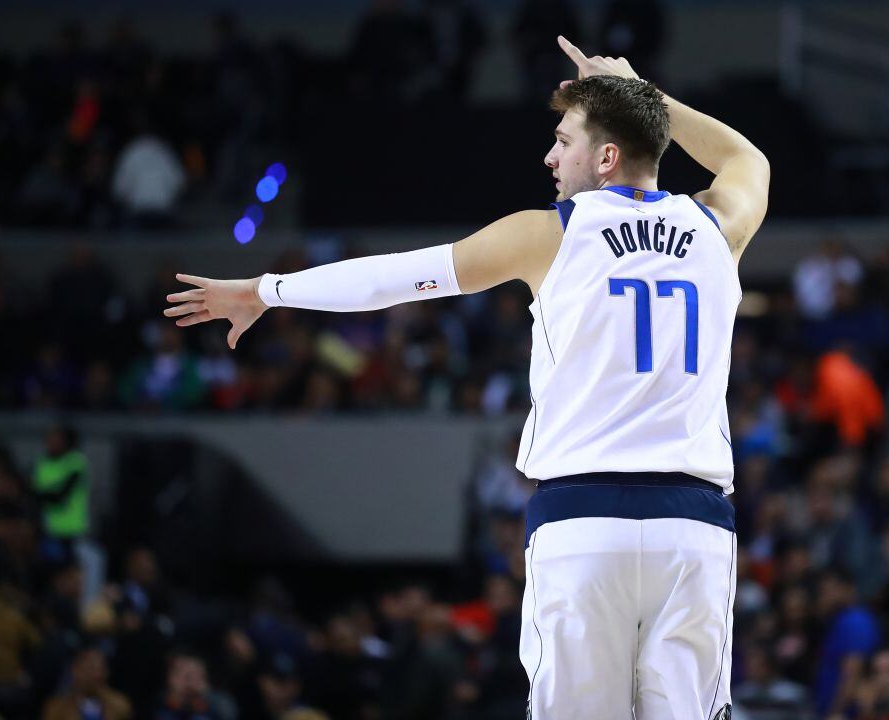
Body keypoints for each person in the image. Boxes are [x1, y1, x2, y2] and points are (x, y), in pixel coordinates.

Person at [165, 35, 769, 719]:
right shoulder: (718, 226)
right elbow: (748, 159)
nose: (549, 156)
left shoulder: (552, 233)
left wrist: (268, 290)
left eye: (564, 141)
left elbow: (395, 278)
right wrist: (643, 96)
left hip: (582, 524)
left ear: (605, 158)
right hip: (691, 531)